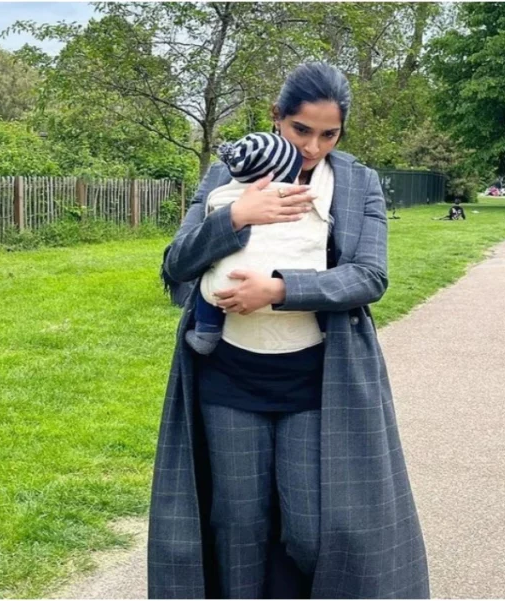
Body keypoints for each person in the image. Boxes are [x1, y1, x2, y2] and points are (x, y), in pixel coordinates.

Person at [152, 62, 430, 599]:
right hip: (228, 377)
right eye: (301, 130)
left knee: (311, 528)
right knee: (238, 527)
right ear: (276, 118)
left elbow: (368, 276)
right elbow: (175, 264)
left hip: (316, 381)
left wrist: (279, 290)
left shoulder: (357, 181)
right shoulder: (224, 175)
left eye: (329, 134)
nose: (314, 147)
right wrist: (236, 216)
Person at [184, 132, 309, 356]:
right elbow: (176, 261)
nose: (313, 148)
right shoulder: (297, 197)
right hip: (285, 280)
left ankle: (206, 333)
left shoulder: (221, 195)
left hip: (226, 284)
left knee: (209, 288)